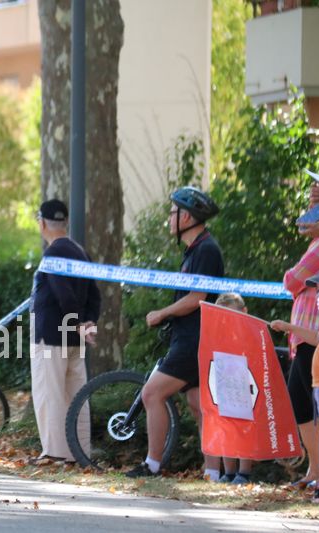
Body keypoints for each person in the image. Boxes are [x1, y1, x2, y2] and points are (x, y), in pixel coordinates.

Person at [126, 186, 224, 479]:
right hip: (191, 336)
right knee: (198, 405)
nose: (169, 218)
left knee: (151, 393)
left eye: (173, 213)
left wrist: (163, 312)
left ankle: (152, 465)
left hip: (195, 339)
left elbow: (198, 297)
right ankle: (212, 473)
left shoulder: (206, 249)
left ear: (187, 217)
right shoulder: (194, 250)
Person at [29, 199, 101, 465]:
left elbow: (63, 294)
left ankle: (55, 452)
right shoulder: (81, 253)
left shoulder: (52, 254)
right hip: (74, 339)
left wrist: (77, 321)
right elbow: (94, 295)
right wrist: (87, 322)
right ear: (65, 223)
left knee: (50, 394)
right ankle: (79, 453)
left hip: (50, 336)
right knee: (76, 396)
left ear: (42, 223)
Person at [276, 180, 319, 491]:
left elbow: (292, 280)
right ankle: (314, 469)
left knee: (313, 405)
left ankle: (318, 471)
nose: (310, 212)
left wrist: (296, 281)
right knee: (301, 403)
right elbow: (307, 224)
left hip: (313, 336)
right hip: (303, 337)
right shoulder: (315, 242)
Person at [213, 292, 254, 484]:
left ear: (244, 311)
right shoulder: (218, 332)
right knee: (225, 425)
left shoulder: (251, 330)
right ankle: (229, 472)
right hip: (223, 381)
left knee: (244, 426)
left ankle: (244, 472)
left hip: (244, 383)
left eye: (231, 314)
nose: (226, 319)